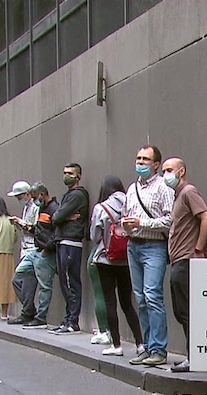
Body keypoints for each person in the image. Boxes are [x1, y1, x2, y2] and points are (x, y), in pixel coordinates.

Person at [122, 145, 174, 366]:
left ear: (156, 164)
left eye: (145, 159)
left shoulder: (163, 187)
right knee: (141, 299)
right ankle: (147, 345)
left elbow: (171, 219)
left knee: (152, 296)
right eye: (138, 158)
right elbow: (127, 213)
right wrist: (125, 225)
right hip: (133, 245)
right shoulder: (132, 188)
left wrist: (142, 223)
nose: (140, 162)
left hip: (154, 246)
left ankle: (159, 349)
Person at [163, 157, 207, 372]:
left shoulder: (188, 192)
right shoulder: (178, 195)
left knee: (187, 311)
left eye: (169, 170)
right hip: (179, 260)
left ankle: (195, 357)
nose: (166, 174)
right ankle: (192, 355)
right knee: (181, 310)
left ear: (181, 171)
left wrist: (199, 249)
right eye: (164, 170)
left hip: (186, 260)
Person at [90, 176, 143, 356]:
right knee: (127, 303)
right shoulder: (132, 203)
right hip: (127, 259)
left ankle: (117, 345)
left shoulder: (101, 208)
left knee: (110, 302)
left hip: (106, 259)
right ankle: (140, 343)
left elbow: (94, 236)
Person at [48, 163, 89, 335]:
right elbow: (57, 216)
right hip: (64, 241)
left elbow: (56, 217)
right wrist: (63, 216)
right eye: (64, 172)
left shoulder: (77, 196)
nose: (66, 176)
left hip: (70, 242)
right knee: (66, 282)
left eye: (70, 173)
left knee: (70, 282)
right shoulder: (69, 195)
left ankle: (73, 320)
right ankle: (69, 318)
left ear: (78, 176)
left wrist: (61, 216)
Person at [22, 182, 60, 329]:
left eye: (35, 197)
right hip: (38, 250)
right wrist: (30, 228)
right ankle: (32, 311)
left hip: (45, 252)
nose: (34, 201)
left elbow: (55, 232)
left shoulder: (53, 209)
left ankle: (40, 317)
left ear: (42, 195)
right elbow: (41, 230)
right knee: (19, 276)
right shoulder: (42, 208)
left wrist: (46, 249)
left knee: (45, 286)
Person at [6, 180, 40, 325]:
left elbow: (35, 228)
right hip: (26, 248)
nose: (19, 200)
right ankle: (28, 310)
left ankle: (28, 311)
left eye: (20, 197)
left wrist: (19, 222)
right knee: (26, 282)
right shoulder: (26, 208)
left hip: (32, 249)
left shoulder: (35, 208)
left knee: (20, 279)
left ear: (27, 194)